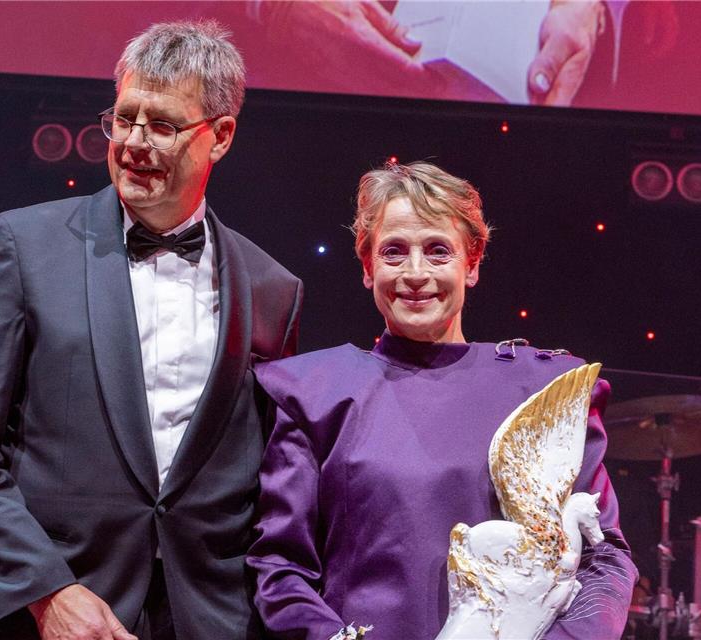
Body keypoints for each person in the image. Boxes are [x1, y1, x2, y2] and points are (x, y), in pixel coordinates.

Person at [0, 21, 302, 640]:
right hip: (53, 614)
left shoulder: (272, 288)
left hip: (209, 620)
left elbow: (264, 480)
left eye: (163, 125)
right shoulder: (23, 246)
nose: (133, 143)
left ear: (221, 136)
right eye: (124, 118)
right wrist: (48, 592)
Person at [247, 161, 636, 638]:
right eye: (393, 252)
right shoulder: (318, 394)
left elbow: (604, 559)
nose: (415, 273)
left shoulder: (545, 389)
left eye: (437, 251)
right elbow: (282, 569)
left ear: (471, 264)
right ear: (367, 267)